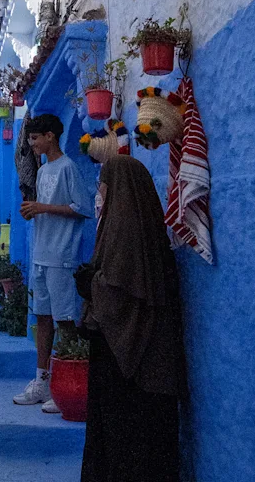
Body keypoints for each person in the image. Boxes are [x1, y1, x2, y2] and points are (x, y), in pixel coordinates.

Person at [76, 155, 185, 481]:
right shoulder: (143, 226)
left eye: (103, 188)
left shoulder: (124, 230)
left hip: (128, 366)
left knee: (127, 448)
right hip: (148, 365)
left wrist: (90, 284)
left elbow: (118, 292)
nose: (99, 196)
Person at [13, 114, 93, 413]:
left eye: (35, 138)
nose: (32, 143)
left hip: (62, 255)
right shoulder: (44, 169)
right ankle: (41, 382)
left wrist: (43, 207)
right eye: (30, 139)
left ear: (50, 136)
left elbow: (82, 208)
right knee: (42, 318)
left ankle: (65, 383)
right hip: (41, 254)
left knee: (64, 320)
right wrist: (33, 211)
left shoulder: (68, 168)